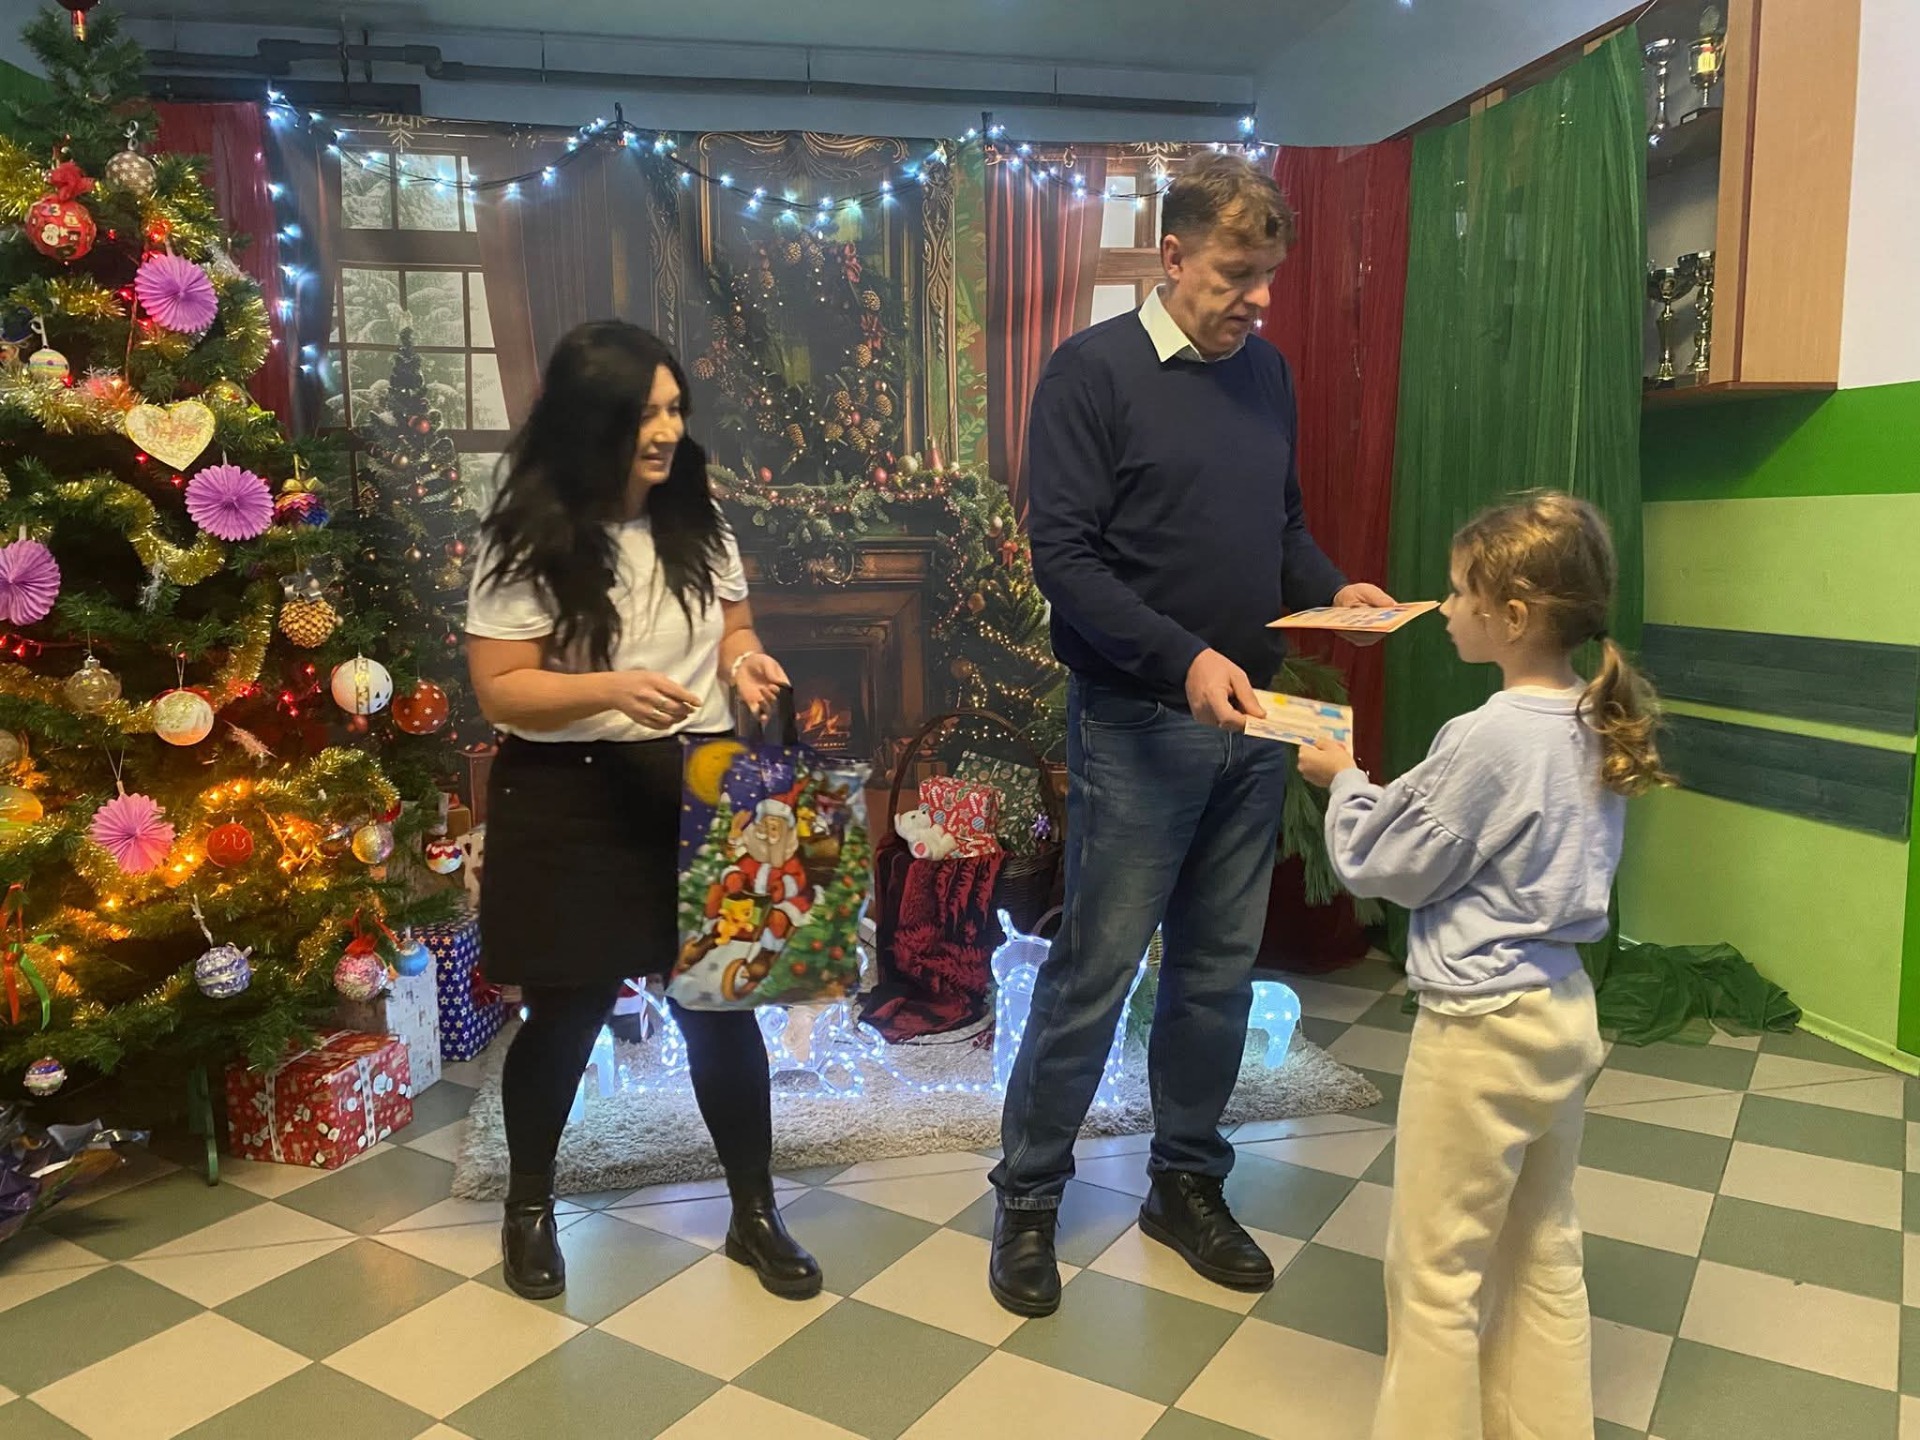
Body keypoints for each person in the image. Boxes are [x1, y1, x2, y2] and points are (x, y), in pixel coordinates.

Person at [989, 150, 1396, 1318]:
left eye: (1268, 277)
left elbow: (1283, 527)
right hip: (1136, 723)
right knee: (1096, 972)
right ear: (1172, 257)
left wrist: (1333, 589)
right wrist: (1182, 657)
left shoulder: (1267, 374)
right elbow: (1065, 561)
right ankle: (1028, 1197)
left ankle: (1185, 1186)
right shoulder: (1091, 373)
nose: (1258, 300)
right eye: (1234, 274)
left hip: (1256, 723)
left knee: (1217, 975)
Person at [1296, 492, 1669, 1440]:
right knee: (1543, 1245)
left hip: (1478, 1032)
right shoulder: (1593, 714)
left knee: (1435, 1274)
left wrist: (1342, 781)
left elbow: (1387, 864)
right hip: (1559, 1013)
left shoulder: (1490, 735)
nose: (1444, 608)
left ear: (1512, 615)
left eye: (1459, 592)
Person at [466, 320, 821, 1302]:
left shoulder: (696, 514)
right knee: (565, 1015)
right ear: (593, 424)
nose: (666, 431)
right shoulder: (526, 534)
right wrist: (612, 689)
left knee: (720, 1008)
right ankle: (528, 1210)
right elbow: (500, 687)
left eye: (673, 409)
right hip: (568, 791)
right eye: (644, 416)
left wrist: (746, 663)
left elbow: (734, 627)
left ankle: (754, 1213)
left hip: (698, 779)